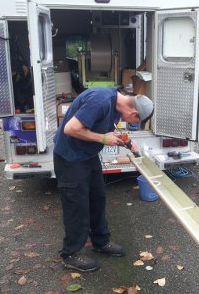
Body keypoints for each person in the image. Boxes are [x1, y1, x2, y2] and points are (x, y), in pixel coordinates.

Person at [53, 87, 154, 273]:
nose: (131, 124)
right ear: (134, 112)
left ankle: (101, 242)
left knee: (97, 198)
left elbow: (107, 131)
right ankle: (71, 254)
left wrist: (130, 143)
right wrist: (102, 138)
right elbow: (70, 128)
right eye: (134, 122)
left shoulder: (116, 105)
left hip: (88, 155)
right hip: (70, 157)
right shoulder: (100, 100)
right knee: (77, 205)